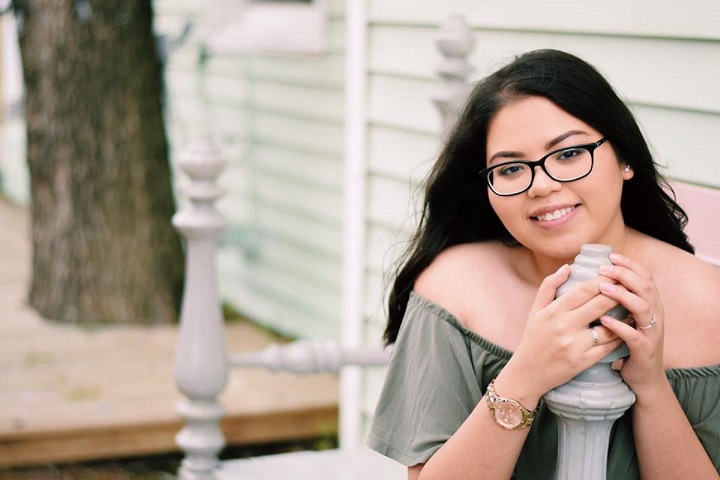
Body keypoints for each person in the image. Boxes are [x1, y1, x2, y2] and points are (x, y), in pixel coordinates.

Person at [367, 49, 720, 479]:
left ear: (625, 157)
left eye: (569, 154)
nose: (542, 185)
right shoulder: (454, 289)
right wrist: (526, 376)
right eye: (511, 168)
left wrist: (650, 386)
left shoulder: (707, 301)